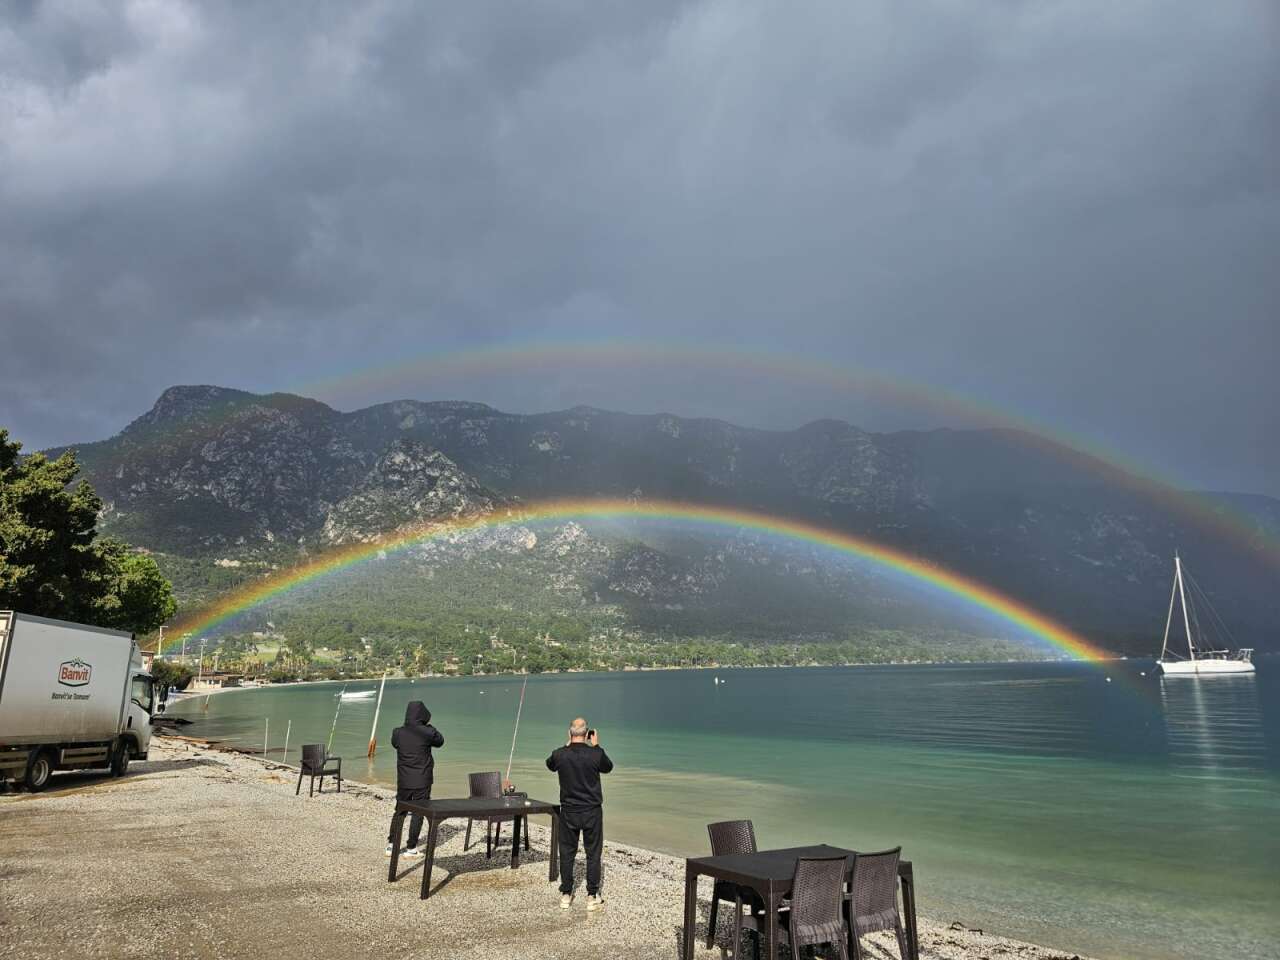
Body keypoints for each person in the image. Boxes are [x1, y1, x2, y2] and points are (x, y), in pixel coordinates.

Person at [546, 717, 613, 910]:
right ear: (587, 734)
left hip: (569, 811)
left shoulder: (560, 754)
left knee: (567, 853)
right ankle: (592, 895)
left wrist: (567, 745)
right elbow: (608, 767)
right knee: (593, 853)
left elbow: (550, 764)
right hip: (591, 810)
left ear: (570, 733)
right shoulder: (595, 754)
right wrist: (597, 745)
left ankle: (566, 893)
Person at [384, 701, 445, 858]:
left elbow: (395, 744)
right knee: (418, 813)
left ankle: (391, 845)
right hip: (422, 779)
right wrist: (429, 727)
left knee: (400, 811)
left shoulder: (398, 732)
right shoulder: (427, 732)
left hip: (404, 779)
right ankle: (411, 848)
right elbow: (440, 741)